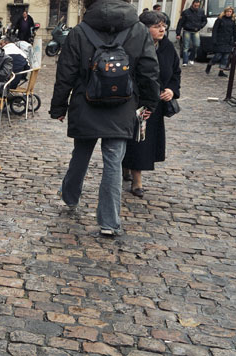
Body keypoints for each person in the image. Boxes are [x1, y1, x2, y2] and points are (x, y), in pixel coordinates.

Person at [50, 0, 160, 237]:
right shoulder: (138, 29)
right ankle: (109, 222)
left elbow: (65, 71)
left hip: (86, 100)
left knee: (80, 154)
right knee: (113, 163)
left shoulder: (80, 30)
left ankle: (69, 198)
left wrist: (58, 106)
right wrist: (149, 103)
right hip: (123, 103)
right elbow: (149, 69)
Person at [123, 11, 181, 199]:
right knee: (137, 141)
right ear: (145, 28)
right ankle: (135, 180)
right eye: (157, 26)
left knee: (145, 142)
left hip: (156, 104)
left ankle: (129, 169)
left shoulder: (167, 47)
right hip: (136, 101)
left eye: (163, 25)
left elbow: (175, 73)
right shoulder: (134, 46)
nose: (162, 29)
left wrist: (171, 90)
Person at [206, 7, 236, 77]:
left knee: (226, 57)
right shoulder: (219, 20)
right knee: (218, 56)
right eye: (227, 11)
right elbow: (214, 30)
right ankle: (210, 64)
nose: (228, 13)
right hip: (220, 40)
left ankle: (221, 71)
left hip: (228, 41)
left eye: (230, 12)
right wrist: (214, 39)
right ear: (225, 12)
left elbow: (235, 31)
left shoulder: (233, 20)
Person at [176, 0, 206, 66]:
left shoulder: (201, 11)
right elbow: (180, 23)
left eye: (198, 6)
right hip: (187, 30)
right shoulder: (186, 12)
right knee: (186, 46)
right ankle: (185, 61)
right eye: (195, 5)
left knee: (197, 45)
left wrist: (200, 26)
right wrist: (178, 33)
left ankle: (192, 58)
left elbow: (204, 20)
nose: (196, 7)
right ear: (192, 4)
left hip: (196, 30)